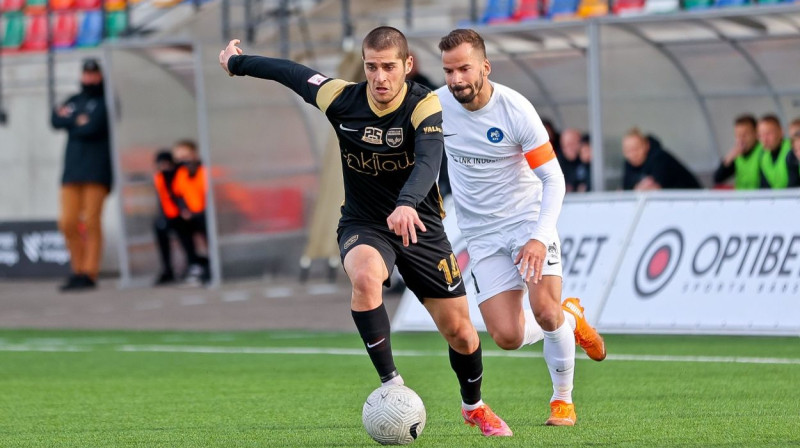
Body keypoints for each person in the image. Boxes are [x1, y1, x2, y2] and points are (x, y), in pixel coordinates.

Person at [219, 27, 512, 436]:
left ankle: (474, 406)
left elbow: (430, 162)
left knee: (462, 334)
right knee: (365, 276)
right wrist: (237, 63)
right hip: (365, 224)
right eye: (371, 67)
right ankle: (391, 384)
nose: (379, 77)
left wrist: (407, 203)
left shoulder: (423, 104)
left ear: (407, 66)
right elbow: (290, 72)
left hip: (420, 227)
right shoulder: (341, 98)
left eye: (389, 67)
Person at [436, 29, 606, 427]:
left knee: (544, 311)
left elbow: (554, 179)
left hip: (526, 221)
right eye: (448, 71)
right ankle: (572, 318)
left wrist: (538, 237)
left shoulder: (515, 110)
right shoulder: (435, 106)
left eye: (464, 68)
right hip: (480, 234)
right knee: (507, 337)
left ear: (485, 66)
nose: (456, 79)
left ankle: (562, 401)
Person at [51, 58, 112, 292]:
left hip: (96, 172)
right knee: (67, 222)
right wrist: (75, 120)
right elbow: (55, 118)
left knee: (91, 222)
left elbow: (93, 127)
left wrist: (72, 122)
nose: (89, 78)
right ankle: (77, 269)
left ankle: (90, 272)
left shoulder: (104, 101)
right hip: (71, 171)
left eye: (93, 74)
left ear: (100, 76)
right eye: (86, 74)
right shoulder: (76, 100)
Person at [170, 139, 210, 285]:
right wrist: (184, 210)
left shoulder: (203, 171)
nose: (182, 161)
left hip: (206, 213)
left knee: (207, 226)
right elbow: (178, 194)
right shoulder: (181, 173)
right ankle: (194, 264)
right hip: (191, 215)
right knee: (176, 224)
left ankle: (212, 264)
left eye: (185, 156)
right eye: (179, 158)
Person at [621, 128, 701, 190]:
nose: (633, 154)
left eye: (636, 149)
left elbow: (654, 189)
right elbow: (626, 188)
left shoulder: (659, 158)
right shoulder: (629, 164)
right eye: (628, 150)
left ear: (647, 145)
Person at [712, 115, 763, 190]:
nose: (741, 139)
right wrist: (729, 158)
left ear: (756, 134)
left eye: (745, 135)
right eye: (737, 135)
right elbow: (718, 178)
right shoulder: (736, 156)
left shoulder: (764, 151)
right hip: (741, 199)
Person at [757, 114, 792, 189]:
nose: (764, 139)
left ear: (781, 132)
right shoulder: (764, 157)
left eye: (768, 134)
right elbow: (764, 188)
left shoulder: (793, 150)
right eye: (761, 135)